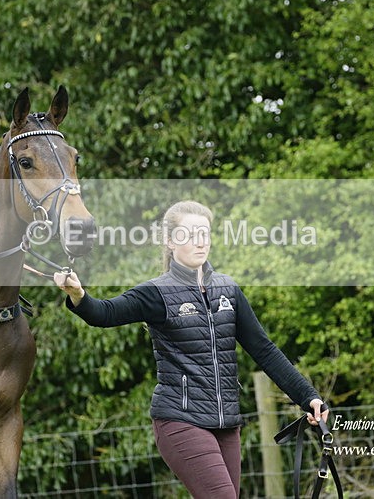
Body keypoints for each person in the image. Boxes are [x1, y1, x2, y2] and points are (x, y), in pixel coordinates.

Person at [54, 200, 328, 499]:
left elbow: (264, 350)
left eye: (205, 234)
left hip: (227, 423)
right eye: (190, 234)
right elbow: (104, 313)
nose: (201, 242)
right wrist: (79, 295)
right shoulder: (156, 293)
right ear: (170, 241)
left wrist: (308, 397)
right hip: (180, 420)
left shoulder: (228, 289)